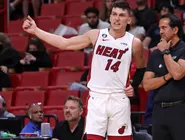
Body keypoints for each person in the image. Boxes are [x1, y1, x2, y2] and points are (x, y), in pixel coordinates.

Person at [22, 1, 146, 139]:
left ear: (128, 19)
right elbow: (65, 43)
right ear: (109, 17)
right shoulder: (96, 35)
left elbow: (141, 68)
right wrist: (36, 31)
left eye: (122, 15)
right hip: (97, 97)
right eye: (114, 14)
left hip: (119, 98)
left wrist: (134, 86)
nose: (117, 18)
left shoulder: (135, 43)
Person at [142, 14, 185, 140]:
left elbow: (177, 74)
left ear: (175, 30)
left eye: (164, 27)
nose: (160, 31)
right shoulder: (155, 54)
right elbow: (146, 85)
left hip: (180, 110)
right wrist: (167, 76)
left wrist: (165, 52)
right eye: (159, 28)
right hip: (159, 111)